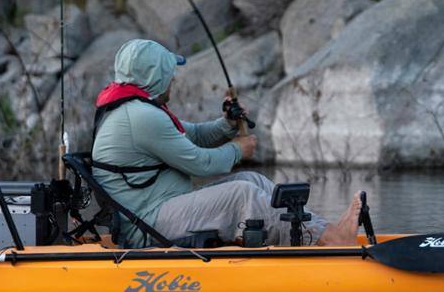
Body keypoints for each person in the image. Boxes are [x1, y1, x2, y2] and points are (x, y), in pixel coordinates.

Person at [90, 39, 360, 248]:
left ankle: (322, 230)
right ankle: (326, 240)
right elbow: (199, 163)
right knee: (241, 194)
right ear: (155, 75)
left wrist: (226, 125)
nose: (173, 78)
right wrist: (238, 149)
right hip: (147, 225)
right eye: (168, 71)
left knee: (252, 181)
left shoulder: (136, 109)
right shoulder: (140, 116)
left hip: (159, 210)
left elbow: (191, 134)